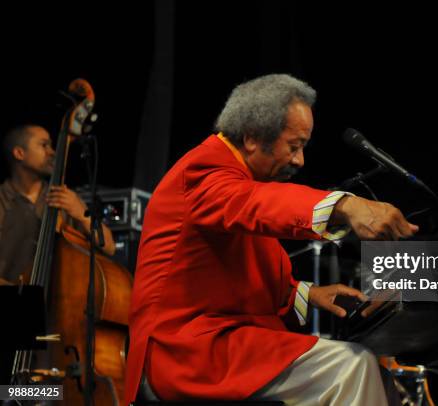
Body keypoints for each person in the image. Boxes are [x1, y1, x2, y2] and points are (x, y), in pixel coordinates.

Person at [125, 74, 419, 406]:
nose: (300, 160)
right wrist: (344, 204)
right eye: (294, 146)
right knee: (351, 368)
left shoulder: (244, 181)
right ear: (252, 138)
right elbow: (257, 206)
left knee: (377, 376)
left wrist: (309, 295)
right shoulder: (204, 171)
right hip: (185, 352)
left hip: (223, 343)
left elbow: (243, 284)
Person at [0, 124, 116, 286]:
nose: (52, 152)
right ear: (19, 153)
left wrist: (81, 213)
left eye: (51, 145)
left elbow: (109, 246)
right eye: (44, 145)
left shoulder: (61, 197)